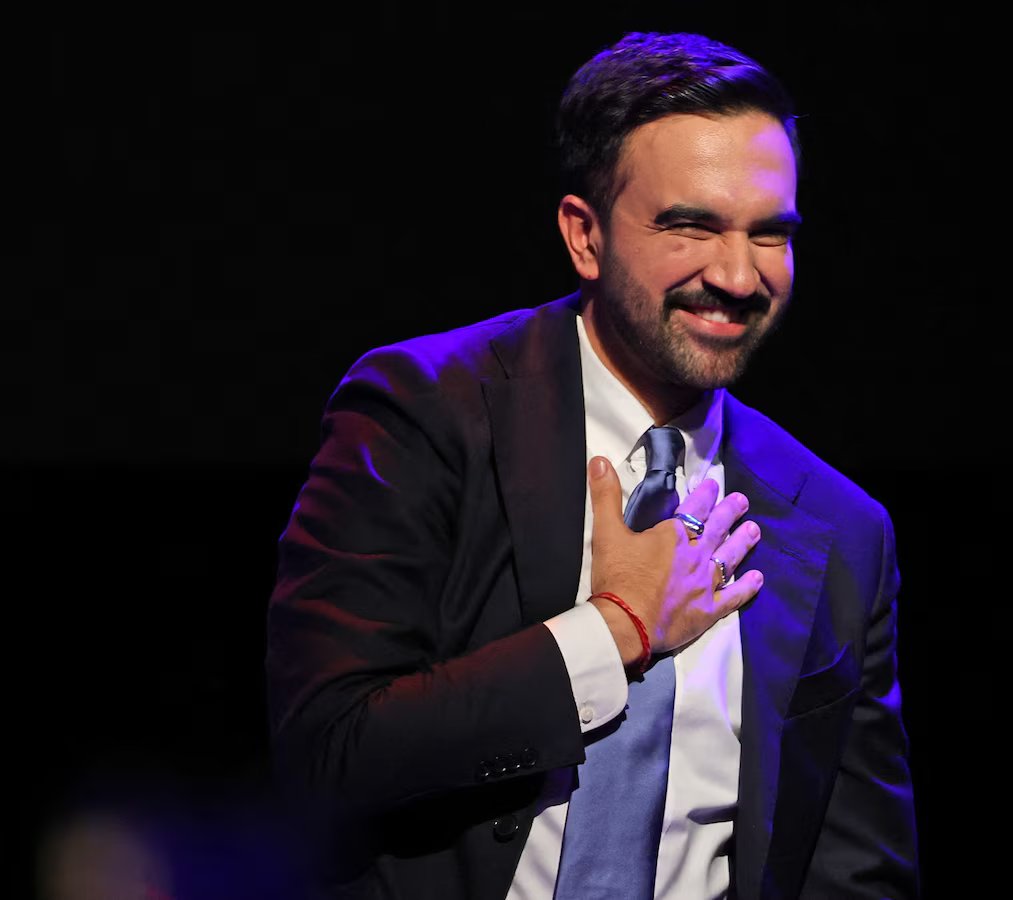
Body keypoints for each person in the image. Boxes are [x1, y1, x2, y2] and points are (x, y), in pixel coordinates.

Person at [265, 31, 918, 900]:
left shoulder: (840, 528)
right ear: (585, 236)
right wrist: (615, 631)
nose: (738, 275)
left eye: (769, 233)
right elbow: (326, 751)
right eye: (691, 225)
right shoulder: (427, 413)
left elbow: (856, 872)